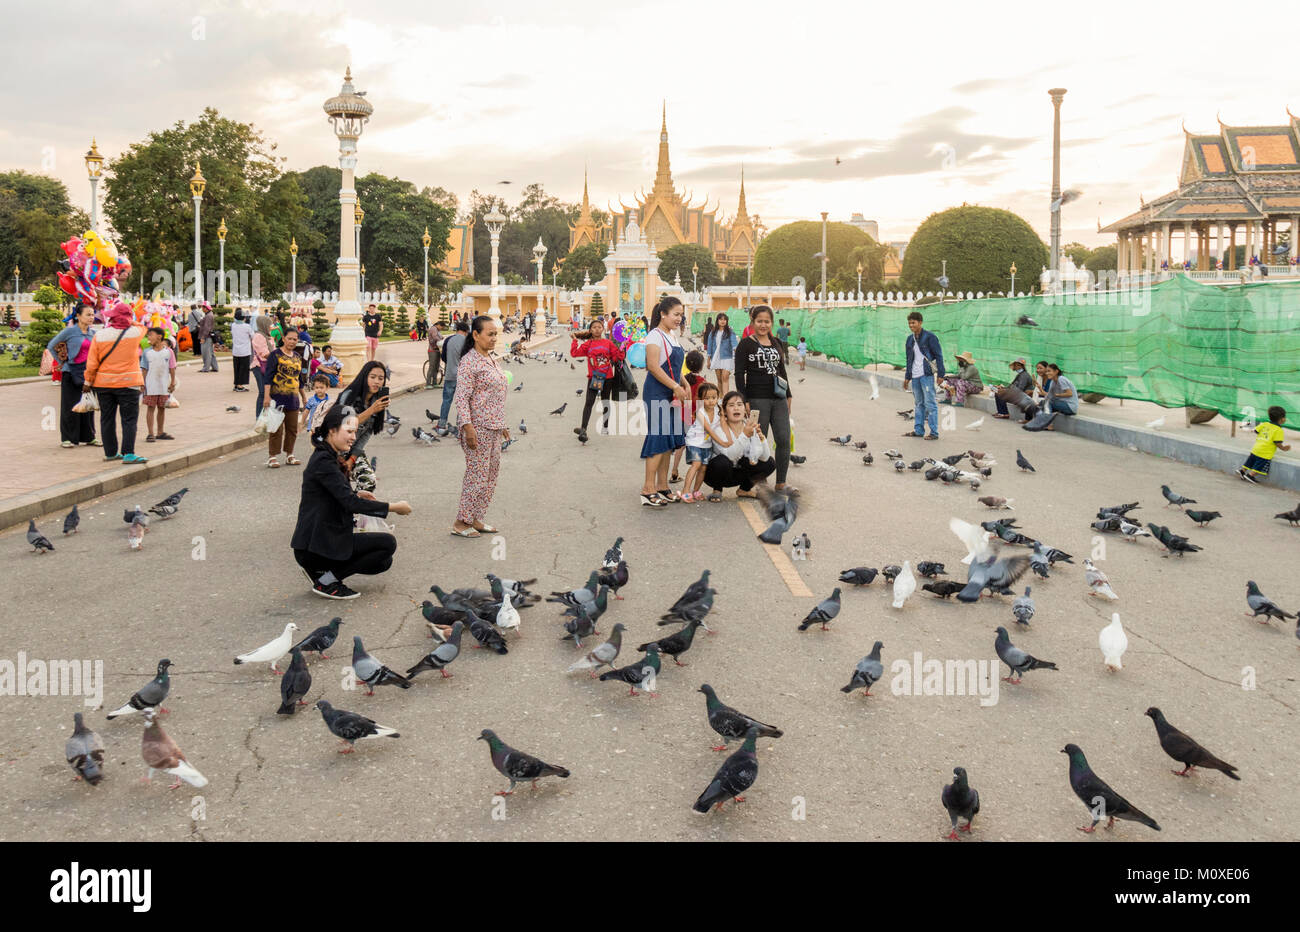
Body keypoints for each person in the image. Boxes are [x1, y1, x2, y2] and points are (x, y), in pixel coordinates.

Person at [292, 403, 411, 600]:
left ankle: (322, 573)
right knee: (387, 543)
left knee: (383, 562)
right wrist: (393, 507)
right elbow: (349, 504)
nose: (354, 437)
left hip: (323, 540)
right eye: (349, 431)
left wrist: (357, 495)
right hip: (313, 546)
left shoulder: (329, 456)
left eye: (355, 432)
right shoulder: (323, 461)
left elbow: (339, 496)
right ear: (332, 430)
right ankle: (326, 581)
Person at [451, 316, 510, 537]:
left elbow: (495, 396)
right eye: (490, 334)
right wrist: (468, 428)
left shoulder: (490, 359)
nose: (494, 338)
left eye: (496, 334)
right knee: (476, 476)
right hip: (478, 427)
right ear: (476, 335)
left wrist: (502, 423)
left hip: (494, 426)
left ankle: (476, 518)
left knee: (490, 476)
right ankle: (461, 522)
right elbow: (462, 398)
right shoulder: (470, 361)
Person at [734, 305, 795, 493]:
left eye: (766, 321)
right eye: (759, 321)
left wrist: (788, 395)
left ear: (772, 323)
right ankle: (757, 483)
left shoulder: (776, 342)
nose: (763, 324)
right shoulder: (745, 344)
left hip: (778, 398)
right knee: (758, 443)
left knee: (784, 440)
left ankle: (781, 483)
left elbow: (781, 371)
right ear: (752, 322)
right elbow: (739, 374)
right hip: (756, 397)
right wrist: (743, 399)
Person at [639, 296, 688, 507]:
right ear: (663, 314)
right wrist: (675, 386)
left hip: (672, 393)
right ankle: (647, 489)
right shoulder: (655, 336)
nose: (679, 318)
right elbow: (653, 366)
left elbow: (675, 366)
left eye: (681, 315)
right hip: (657, 392)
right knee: (658, 439)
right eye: (676, 314)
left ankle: (662, 486)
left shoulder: (672, 336)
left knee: (668, 442)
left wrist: (684, 383)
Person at [84, 301, 147, 465]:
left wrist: (88, 380)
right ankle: (128, 453)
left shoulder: (99, 335)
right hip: (129, 383)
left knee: (107, 418)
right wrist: (129, 319)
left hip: (103, 383)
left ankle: (110, 452)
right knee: (129, 419)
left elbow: (92, 363)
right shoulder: (135, 332)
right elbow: (142, 326)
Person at [702, 390, 776, 500]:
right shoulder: (718, 428)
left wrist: (762, 439)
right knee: (722, 461)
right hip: (716, 474)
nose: (736, 408)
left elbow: (764, 458)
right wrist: (745, 435)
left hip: (738, 474)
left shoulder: (749, 426)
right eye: (731, 405)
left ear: (745, 409)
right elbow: (729, 456)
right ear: (725, 411)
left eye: (740, 405)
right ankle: (717, 490)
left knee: (770, 463)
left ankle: (744, 489)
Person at [47, 305, 99, 448]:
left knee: (88, 404)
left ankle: (89, 437)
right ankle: (67, 438)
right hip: (70, 372)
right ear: (78, 316)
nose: (91, 318)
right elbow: (51, 345)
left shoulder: (93, 334)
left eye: (92, 315)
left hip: (87, 374)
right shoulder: (69, 332)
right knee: (70, 406)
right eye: (88, 314)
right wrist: (62, 363)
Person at [571, 317, 623, 443]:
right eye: (594, 327)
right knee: (589, 402)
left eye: (599, 327)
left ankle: (605, 426)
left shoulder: (609, 343)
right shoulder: (588, 344)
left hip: (608, 378)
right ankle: (583, 428)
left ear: (603, 329)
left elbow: (618, 357)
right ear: (590, 330)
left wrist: (622, 346)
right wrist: (574, 341)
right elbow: (575, 354)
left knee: (605, 402)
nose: (597, 329)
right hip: (594, 377)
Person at [263, 326, 309, 468]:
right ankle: (272, 456)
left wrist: (304, 397)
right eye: (289, 338)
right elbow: (268, 377)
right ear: (283, 339)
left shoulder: (297, 357)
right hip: (277, 397)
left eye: (295, 339)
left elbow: (299, 380)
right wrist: (266, 397)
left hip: (293, 398)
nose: (292, 341)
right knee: (276, 428)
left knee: (292, 429)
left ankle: (290, 454)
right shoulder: (275, 355)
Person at [901, 310, 945, 440]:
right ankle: (918, 430)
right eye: (909, 323)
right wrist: (907, 377)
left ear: (920, 322)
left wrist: (941, 374)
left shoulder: (930, 337)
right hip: (915, 376)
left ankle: (934, 432)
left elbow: (939, 355)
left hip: (926, 375)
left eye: (913, 323)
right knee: (918, 403)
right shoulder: (910, 339)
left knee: (930, 403)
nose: (911, 326)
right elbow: (909, 359)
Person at [681, 381, 725, 502]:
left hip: (707, 444)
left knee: (704, 467)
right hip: (694, 441)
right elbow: (709, 430)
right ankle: (685, 490)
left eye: (714, 397)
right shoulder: (701, 412)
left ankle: (695, 491)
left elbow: (723, 425)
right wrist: (722, 442)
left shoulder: (718, 410)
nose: (711, 401)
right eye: (707, 398)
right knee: (696, 464)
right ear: (700, 399)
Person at [671, 349, 708, 484]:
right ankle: (697, 472)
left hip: (683, 415)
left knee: (681, 445)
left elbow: (675, 399)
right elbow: (702, 402)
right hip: (694, 416)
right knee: (697, 444)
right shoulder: (702, 381)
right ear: (701, 365)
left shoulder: (683, 380)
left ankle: (674, 470)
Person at [140, 326, 177, 443]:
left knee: (162, 408)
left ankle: (160, 432)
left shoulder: (168, 352)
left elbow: (172, 367)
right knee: (151, 408)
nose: (148, 338)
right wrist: (142, 383)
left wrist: (172, 382)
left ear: (159, 337)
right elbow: (144, 369)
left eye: (150, 335)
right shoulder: (147, 352)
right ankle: (150, 433)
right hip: (150, 385)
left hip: (163, 385)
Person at [1240, 405, 1290, 484]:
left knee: (1250, 461)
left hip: (1256, 448)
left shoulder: (1265, 424)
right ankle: (1250, 475)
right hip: (1265, 452)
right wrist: (1283, 448)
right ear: (1282, 419)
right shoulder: (1279, 430)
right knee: (1259, 465)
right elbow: (1277, 443)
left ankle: (1242, 471)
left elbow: (1256, 431)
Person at [437, 318, 470, 433]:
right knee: (463, 402)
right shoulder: (467, 341)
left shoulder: (448, 340)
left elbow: (443, 357)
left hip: (450, 374)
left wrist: (451, 362)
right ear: (466, 331)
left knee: (447, 400)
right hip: (463, 376)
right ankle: (460, 426)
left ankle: (441, 424)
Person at [706, 312, 739, 395]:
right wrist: (708, 360)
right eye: (721, 319)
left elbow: (734, 343)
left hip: (727, 357)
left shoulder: (730, 332)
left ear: (727, 321)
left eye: (725, 319)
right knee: (719, 379)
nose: (723, 321)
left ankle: (725, 399)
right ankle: (720, 399)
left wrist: (738, 355)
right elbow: (709, 346)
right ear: (717, 321)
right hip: (716, 357)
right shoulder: (713, 332)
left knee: (725, 377)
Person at [251, 315, 274, 417]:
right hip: (259, 366)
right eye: (269, 324)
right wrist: (278, 354)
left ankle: (266, 415)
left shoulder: (268, 336)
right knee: (262, 392)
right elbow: (264, 354)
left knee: (268, 392)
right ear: (264, 325)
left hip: (268, 366)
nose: (271, 326)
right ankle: (259, 417)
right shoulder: (259, 336)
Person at [230, 309, 253, 392]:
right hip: (245, 351)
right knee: (243, 369)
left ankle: (236, 384)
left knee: (237, 368)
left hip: (236, 351)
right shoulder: (247, 326)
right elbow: (252, 336)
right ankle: (240, 386)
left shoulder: (233, 325)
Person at [198, 304, 218, 373]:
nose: (202, 309)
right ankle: (215, 367)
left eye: (202, 307)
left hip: (206, 337)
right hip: (208, 336)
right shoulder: (209, 315)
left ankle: (206, 368)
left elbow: (207, 328)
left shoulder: (208, 316)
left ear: (205, 308)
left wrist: (203, 337)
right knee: (210, 353)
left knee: (206, 353)